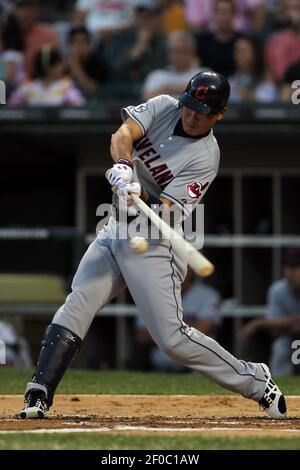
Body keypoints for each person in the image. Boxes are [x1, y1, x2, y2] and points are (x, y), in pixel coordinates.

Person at [20, 71, 286, 420]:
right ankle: (39, 392)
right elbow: (123, 134)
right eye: (190, 105)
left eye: (202, 111)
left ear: (219, 115)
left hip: (155, 239)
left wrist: (141, 193)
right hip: (116, 227)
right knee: (79, 301)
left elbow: (170, 210)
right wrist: (123, 164)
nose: (191, 115)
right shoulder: (164, 107)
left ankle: (256, 380)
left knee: (172, 339)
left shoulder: (206, 157)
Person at [135, 268, 221, 371]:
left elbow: (203, 329)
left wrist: (163, 329)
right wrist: (185, 327)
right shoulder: (152, 294)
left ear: (191, 269)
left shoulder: (207, 294)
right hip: (161, 364)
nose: (175, 269)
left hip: (198, 362)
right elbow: (142, 335)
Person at [240, 247, 300, 376]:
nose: (290, 272)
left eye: (295, 267)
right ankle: (280, 384)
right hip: (290, 337)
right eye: (287, 266)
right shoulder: (278, 290)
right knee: (281, 345)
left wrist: (259, 322)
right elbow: (274, 328)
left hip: (292, 334)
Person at [9, 46, 85, 106]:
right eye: (58, 65)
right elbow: (11, 107)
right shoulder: (27, 86)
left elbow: (80, 106)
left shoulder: (66, 86)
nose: (62, 68)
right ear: (48, 68)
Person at [142, 31, 203, 100]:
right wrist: (187, 89)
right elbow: (147, 98)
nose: (179, 55)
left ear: (192, 52)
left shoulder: (202, 75)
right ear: (168, 53)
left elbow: (205, 95)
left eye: (184, 50)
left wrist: (168, 89)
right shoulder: (156, 76)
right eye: (175, 51)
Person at [195, 0, 242, 77]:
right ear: (213, 15)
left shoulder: (241, 41)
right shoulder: (202, 41)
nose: (223, 17)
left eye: (226, 12)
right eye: (220, 12)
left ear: (234, 15)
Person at [13, 0, 59, 78]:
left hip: (38, 82)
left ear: (38, 11)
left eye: (30, 8)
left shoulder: (49, 34)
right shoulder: (6, 34)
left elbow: (54, 65)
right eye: (22, 8)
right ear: (15, 11)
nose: (26, 13)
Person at [229, 35, 278, 102]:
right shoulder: (232, 80)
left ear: (255, 54)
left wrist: (248, 98)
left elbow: (269, 107)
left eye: (243, 51)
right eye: (237, 51)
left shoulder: (268, 78)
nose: (238, 55)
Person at [67, 25, 107, 97]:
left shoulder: (98, 62)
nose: (79, 46)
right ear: (70, 45)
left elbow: (92, 89)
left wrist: (75, 66)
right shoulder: (64, 63)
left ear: (89, 45)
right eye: (75, 42)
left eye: (82, 42)